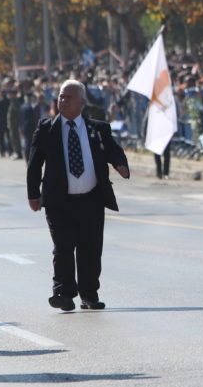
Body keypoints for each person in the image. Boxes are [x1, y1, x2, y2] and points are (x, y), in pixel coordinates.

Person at [27, 79, 130, 312]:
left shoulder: (98, 129)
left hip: (91, 200)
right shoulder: (46, 128)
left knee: (90, 249)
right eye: (61, 97)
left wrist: (120, 164)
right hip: (58, 201)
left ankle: (89, 294)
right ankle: (63, 293)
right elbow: (34, 164)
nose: (62, 101)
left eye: (68, 97)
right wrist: (33, 194)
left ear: (82, 102)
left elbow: (113, 149)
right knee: (63, 247)